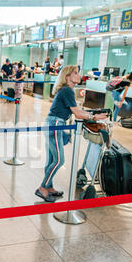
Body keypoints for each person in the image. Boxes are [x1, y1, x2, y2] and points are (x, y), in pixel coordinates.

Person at [35, 65, 108, 202]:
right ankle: (43, 188)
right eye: (75, 73)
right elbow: (77, 113)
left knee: (51, 160)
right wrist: (95, 117)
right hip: (55, 124)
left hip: (52, 123)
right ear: (67, 76)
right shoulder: (67, 91)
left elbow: (78, 110)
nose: (78, 75)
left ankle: (49, 187)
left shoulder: (67, 90)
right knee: (58, 160)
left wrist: (92, 114)